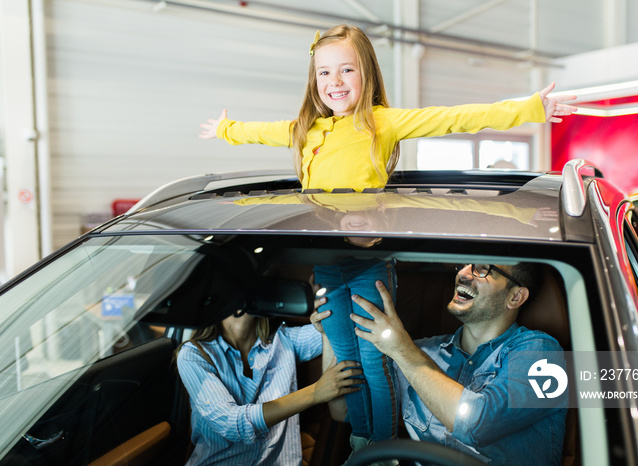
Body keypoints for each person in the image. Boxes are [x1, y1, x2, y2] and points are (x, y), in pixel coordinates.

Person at [199, 24, 576, 453]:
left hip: (366, 262)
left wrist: (529, 108)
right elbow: (261, 131)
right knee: (345, 357)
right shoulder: (308, 129)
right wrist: (227, 129)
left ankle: (373, 445)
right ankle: (364, 441)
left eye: (346, 70)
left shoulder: (381, 124)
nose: (335, 83)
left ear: (368, 75)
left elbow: (455, 117)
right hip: (325, 264)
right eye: (324, 73)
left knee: (375, 361)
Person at [318, 262, 567, 466]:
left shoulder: (543, 353)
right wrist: (330, 331)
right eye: (463, 265)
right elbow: (344, 411)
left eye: (481, 269)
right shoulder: (423, 351)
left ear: (515, 297)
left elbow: (476, 425)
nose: (463, 274)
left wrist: (402, 351)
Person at [175, 292, 361, 466]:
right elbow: (231, 424)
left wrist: (325, 301)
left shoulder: (285, 341)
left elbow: (339, 326)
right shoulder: (194, 355)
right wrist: (315, 392)